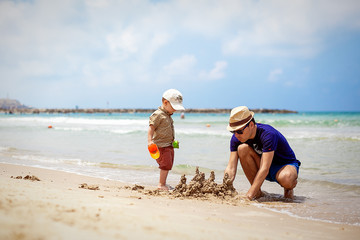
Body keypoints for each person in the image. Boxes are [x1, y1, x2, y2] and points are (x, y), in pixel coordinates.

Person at [224, 106, 301, 200]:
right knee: (242, 148)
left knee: (287, 178)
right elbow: (231, 167)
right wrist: (224, 187)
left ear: (251, 125)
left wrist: (248, 196)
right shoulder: (236, 138)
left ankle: (288, 190)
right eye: (233, 131)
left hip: (283, 166)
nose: (236, 135)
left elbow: (265, 168)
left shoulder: (268, 134)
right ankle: (258, 193)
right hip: (261, 165)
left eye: (239, 131)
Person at [148, 89, 185, 191]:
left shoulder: (168, 115)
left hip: (168, 144)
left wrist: (173, 142)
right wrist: (149, 141)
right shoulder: (158, 114)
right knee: (165, 165)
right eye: (174, 107)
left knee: (168, 164)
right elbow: (151, 127)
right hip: (161, 145)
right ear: (165, 102)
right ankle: (161, 185)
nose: (176, 110)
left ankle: (163, 183)